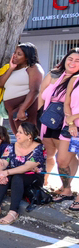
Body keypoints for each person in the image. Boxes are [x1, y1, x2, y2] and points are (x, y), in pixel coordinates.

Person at [0, 122, 46, 225]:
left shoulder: (39, 148)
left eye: (20, 132)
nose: (16, 134)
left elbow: (27, 167)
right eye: (17, 132)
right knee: (4, 175)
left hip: (33, 177)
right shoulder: (11, 146)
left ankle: (13, 212)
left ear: (29, 136)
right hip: (14, 174)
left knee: (16, 177)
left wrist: (6, 172)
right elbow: (3, 162)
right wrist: (0, 173)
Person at [39, 49, 79, 181]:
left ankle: (66, 185)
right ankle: (45, 181)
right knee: (48, 152)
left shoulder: (76, 80)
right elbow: (41, 94)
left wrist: (71, 120)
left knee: (67, 156)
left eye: (77, 61)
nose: (72, 63)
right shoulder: (54, 74)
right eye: (70, 59)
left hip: (65, 121)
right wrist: (40, 114)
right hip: (48, 118)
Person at [0, 43, 43, 134]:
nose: (15, 56)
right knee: (19, 137)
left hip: (25, 108)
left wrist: (22, 109)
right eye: (15, 53)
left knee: (27, 137)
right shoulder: (13, 69)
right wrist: (11, 68)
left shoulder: (33, 68)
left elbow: (35, 90)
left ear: (27, 57)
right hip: (12, 110)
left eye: (19, 54)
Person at [58, 69, 79, 211]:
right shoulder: (75, 78)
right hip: (70, 128)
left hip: (73, 122)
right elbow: (67, 103)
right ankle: (66, 190)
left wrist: (74, 116)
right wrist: (71, 123)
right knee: (62, 161)